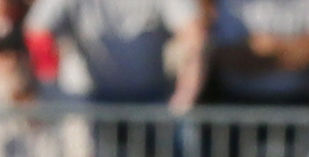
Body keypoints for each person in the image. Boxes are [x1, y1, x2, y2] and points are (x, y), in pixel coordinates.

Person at [24, 0, 201, 107]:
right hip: (86, 100)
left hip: (150, 98)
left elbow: (194, 33)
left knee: (183, 134)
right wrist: (49, 88)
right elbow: (37, 31)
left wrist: (185, 96)